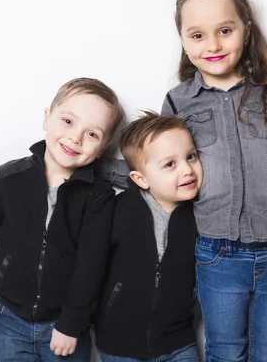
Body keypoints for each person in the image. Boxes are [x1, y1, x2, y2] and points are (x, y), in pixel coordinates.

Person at [100, 0, 267, 361]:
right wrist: (89, 166)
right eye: (198, 35)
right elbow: (156, 165)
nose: (213, 45)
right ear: (184, 41)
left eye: (225, 30)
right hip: (216, 253)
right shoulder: (179, 101)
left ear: (246, 29)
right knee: (224, 349)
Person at [0, 78, 124, 361]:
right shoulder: (9, 178)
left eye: (92, 134)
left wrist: (72, 323)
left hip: (64, 326)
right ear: (47, 118)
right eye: (68, 121)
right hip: (8, 317)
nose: (75, 138)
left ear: (102, 148)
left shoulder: (98, 198)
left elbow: (92, 267)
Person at [95, 111, 202, 362]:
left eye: (191, 156)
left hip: (179, 342)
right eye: (170, 164)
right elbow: (92, 265)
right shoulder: (118, 210)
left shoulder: (201, 216)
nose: (187, 170)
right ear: (140, 179)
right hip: (118, 344)